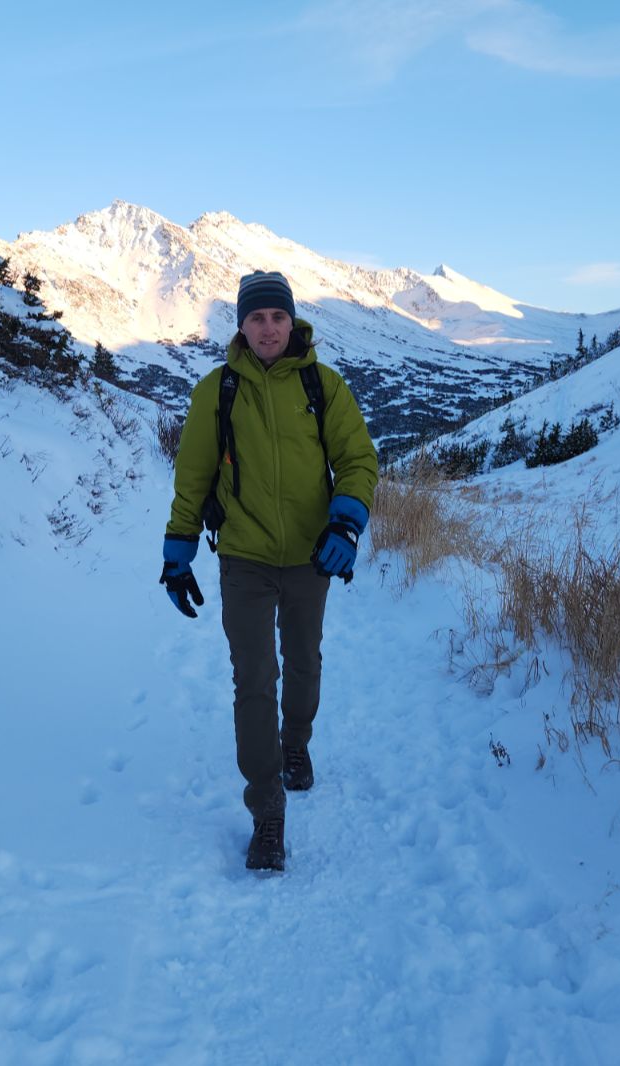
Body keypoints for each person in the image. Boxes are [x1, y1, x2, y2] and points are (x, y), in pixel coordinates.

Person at [159, 270, 379, 872]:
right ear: (241, 325)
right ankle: (267, 813)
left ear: (292, 320)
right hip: (245, 557)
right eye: (256, 318)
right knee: (254, 678)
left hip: (313, 554)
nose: (268, 328)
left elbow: (357, 458)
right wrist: (178, 550)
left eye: (277, 317)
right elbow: (193, 476)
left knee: (304, 660)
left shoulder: (322, 384)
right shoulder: (217, 391)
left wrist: (346, 523)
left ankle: (297, 745)